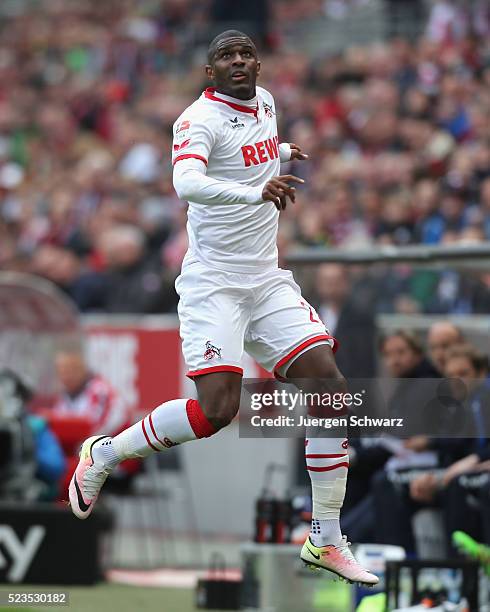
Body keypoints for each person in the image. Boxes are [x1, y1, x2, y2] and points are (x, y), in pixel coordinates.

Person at [68, 30, 378, 586]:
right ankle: (108, 452)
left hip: (266, 279)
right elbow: (187, 181)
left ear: (257, 63)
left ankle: (325, 537)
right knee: (216, 411)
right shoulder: (196, 120)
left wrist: (280, 154)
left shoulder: (266, 103)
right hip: (215, 285)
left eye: (244, 54)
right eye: (224, 57)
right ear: (210, 72)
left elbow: (250, 152)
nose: (237, 62)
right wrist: (255, 192)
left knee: (330, 389)